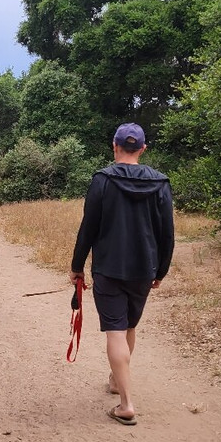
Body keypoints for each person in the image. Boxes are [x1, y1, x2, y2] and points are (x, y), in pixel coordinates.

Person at [70, 123, 174, 425]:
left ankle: (127, 404)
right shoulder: (161, 183)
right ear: (142, 149)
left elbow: (88, 227)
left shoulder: (102, 180)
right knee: (128, 326)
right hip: (144, 269)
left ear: (114, 146)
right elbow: (167, 233)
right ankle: (117, 382)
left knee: (116, 330)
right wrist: (161, 270)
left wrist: (77, 266)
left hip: (110, 268)